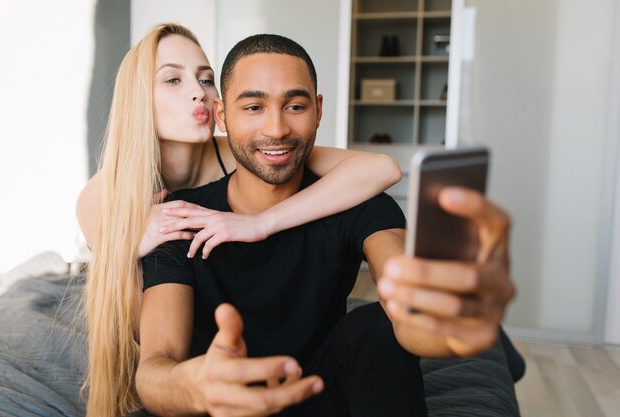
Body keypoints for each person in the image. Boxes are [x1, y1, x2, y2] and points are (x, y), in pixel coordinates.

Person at [137, 34, 515, 417]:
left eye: (295, 105)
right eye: (253, 106)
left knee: (375, 323)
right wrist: (195, 386)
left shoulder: (359, 204)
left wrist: (446, 320)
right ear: (221, 115)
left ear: (318, 110)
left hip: (319, 398)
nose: (277, 128)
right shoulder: (183, 217)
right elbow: (154, 369)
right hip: (221, 405)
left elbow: (406, 312)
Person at [76, 24, 403, 417]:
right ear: (137, 99)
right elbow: (129, 324)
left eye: (206, 78)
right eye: (173, 79)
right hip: (174, 346)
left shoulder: (252, 148)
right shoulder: (104, 196)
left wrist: (261, 222)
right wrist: (136, 243)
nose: (198, 90)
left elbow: (380, 168)